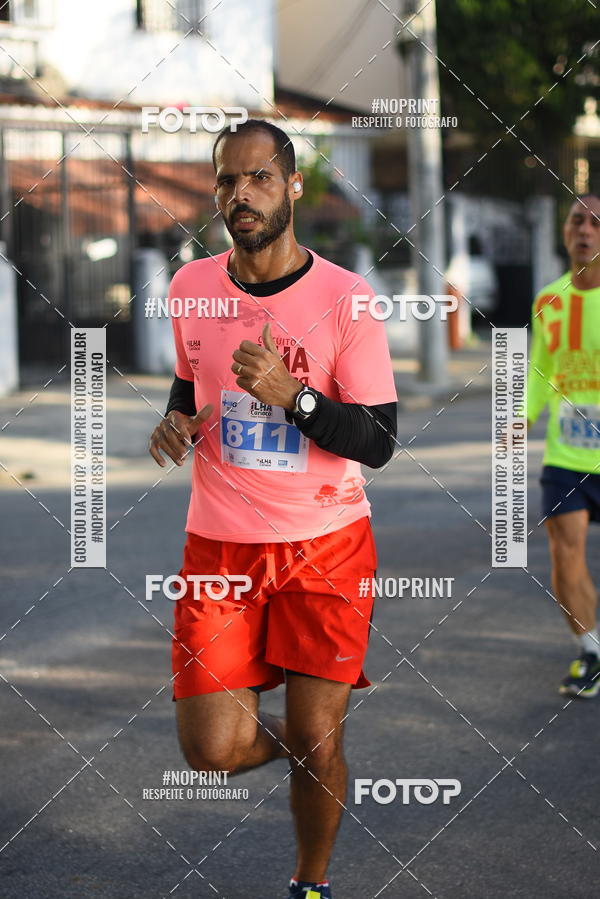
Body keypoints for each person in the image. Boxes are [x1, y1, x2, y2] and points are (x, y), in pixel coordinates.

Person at [148, 118, 398, 898]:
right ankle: (313, 749)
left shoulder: (346, 299)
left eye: (259, 177)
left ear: (292, 186)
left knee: (321, 741)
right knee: (211, 749)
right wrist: (176, 420)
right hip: (220, 548)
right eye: (228, 179)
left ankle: (309, 883)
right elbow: (191, 383)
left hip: (326, 545)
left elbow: (379, 439)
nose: (242, 193)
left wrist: (296, 397)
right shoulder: (190, 287)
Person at [527, 193, 600, 698]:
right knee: (565, 555)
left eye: (596, 223)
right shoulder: (548, 300)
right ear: (564, 231)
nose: (586, 231)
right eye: (577, 221)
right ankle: (590, 651)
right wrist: (521, 416)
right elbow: (542, 369)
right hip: (566, 455)